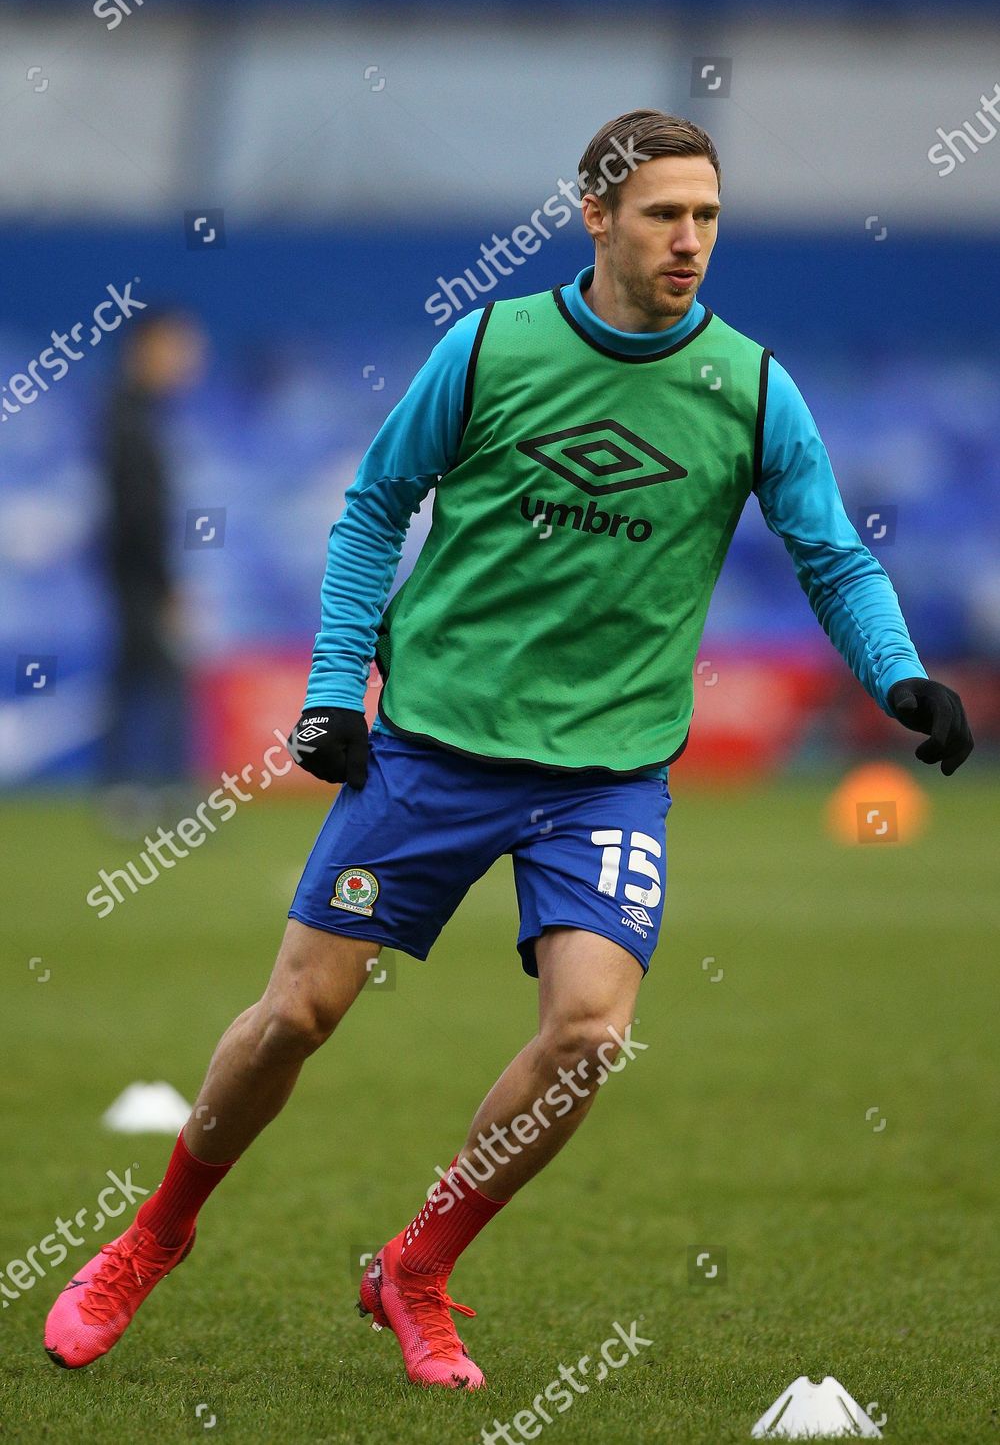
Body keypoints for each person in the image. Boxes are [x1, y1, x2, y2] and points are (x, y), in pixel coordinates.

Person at [45, 110, 973, 1387]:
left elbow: (828, 550)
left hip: (604, 775)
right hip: (434, 752)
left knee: (589, 1034)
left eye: (706, 214)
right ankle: (155, 1235)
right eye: (662, 213)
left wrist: (898, 670)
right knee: (294, 1020)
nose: (689, 239)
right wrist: (335, 687)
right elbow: (375, 503)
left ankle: (416, 1267)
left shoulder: (752, 386)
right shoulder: (487, 346)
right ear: (595, 216)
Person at [98, 308, 205, 833]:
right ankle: (163, 795)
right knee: (164, 677)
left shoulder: (134, 413)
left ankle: (127, 792)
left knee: (134, 676)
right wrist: (166, 586)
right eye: (177, 346)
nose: (186, 359)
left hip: (130, 571)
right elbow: (139, 513)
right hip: (136, 573)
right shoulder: (128, 418)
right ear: (148, 348)